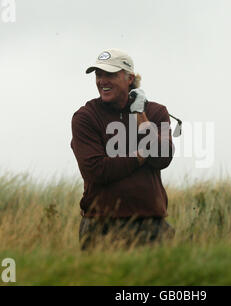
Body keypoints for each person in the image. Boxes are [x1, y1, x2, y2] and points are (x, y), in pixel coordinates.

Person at [71, 49, 175, 250]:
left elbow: (163, 157)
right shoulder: (86, 117)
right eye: (98, 75)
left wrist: (139, 113)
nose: (102, 81)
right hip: (100, 225)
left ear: (130, 79)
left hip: (151, 224)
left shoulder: (155, 112)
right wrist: (140, 156)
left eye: (110, 75)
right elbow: (96, 170)